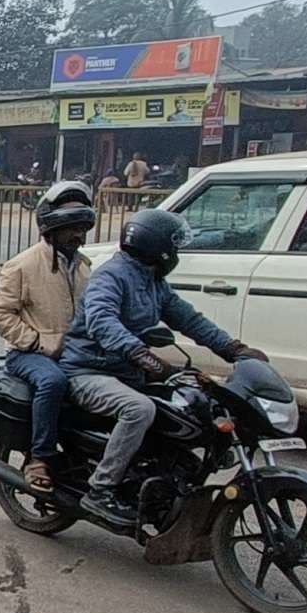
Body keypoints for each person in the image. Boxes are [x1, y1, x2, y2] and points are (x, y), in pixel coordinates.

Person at [58, 209, 265, 526]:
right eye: (175, 245)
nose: (177, 252)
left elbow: (189, 319)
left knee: (199, 401)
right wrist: (141, 355)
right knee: (138, 409)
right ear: (158, 246)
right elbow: (101, 322)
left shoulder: (153, 281)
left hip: (128, 372)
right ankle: (100, 491)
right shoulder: (111, 276)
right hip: (89, 371)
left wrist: (234, 349)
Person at [0, 181, 97, 491]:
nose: (78, 235)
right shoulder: (22, 266)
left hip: (74, 353)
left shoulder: (84, 268)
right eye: (71, 228)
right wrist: (36, 342)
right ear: (53, 228)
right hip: (27, 355)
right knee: (53, 381)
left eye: (82, 228)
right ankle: (39, 457)